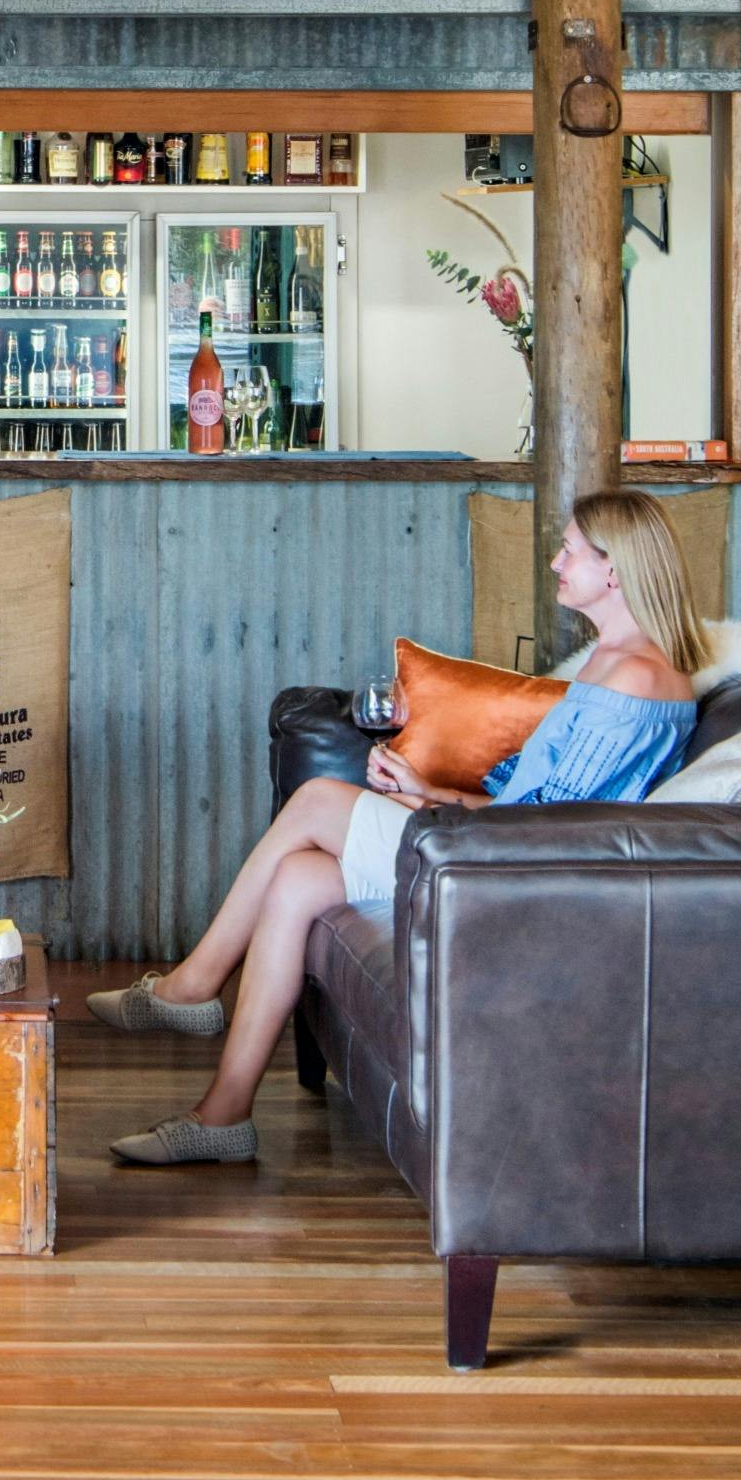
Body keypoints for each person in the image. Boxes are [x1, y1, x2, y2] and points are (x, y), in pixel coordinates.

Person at [85, 490, 706, 1165]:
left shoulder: (639, 679)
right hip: (497, 850)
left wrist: (433, 810)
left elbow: (548, 826)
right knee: (298, 879)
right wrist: (427, 792)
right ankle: (223, 1115)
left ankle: (193, 988)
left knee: (320, 796)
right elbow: (534, 799)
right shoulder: (611, 664)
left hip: (508, 876)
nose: (556, 561)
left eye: (571, 550)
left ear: (614, 571)